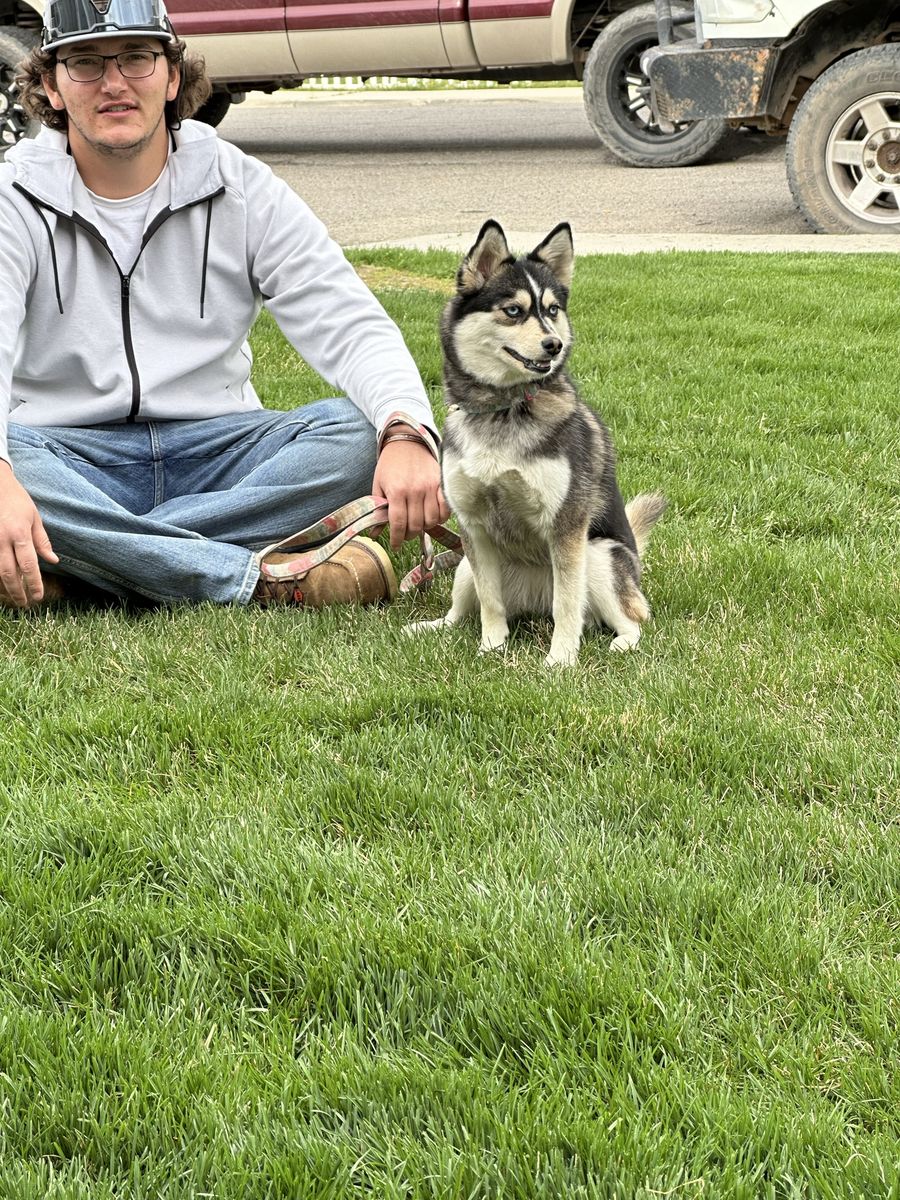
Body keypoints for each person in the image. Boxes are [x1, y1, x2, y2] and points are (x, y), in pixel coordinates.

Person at [0, 0, 448, 611]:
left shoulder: (238, 184)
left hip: (220, 449)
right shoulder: (14, 197)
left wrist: (404, 432)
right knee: (9, 464)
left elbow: (344, 317)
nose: (113, 82)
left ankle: (93, 565)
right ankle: (257, 579)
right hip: (66, 452)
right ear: (50, 86)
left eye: (136, 58)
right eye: (84, 63)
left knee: (357, 434)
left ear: (172, 75)